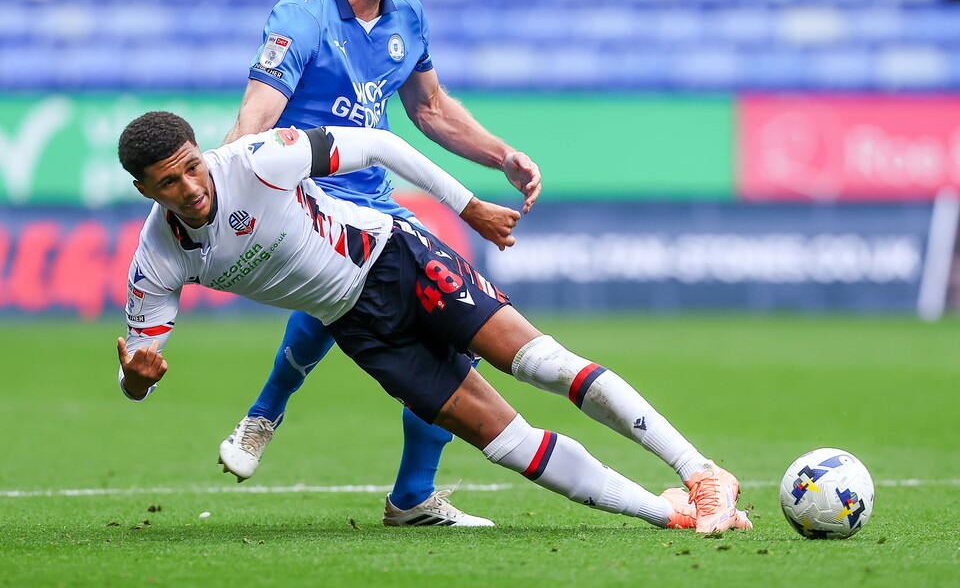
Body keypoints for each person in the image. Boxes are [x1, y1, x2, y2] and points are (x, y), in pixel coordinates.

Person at [116, 111, 751, 534]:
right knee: (504, 443)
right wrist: (138, 381)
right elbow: (136, 374)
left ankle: (701, 474)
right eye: (169, 184)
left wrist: (467, 205)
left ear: (201, 153)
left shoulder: (258, 160)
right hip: (356, 326)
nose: (191, 188)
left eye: (192, 167)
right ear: (147, 192)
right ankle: (673, 518)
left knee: (543, 364)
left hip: (397, 260)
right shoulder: (156, 259)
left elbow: (381, 145)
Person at [219, 0, 541, 527]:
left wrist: (501, 155)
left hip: (377, 200)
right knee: (379, 299)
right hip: (308, 202)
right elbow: (256, 115)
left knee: (445, 323)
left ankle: (404, 492)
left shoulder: (407, 14)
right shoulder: (301, 16)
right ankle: (283, 419)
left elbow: (430, 108)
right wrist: (217, 190)